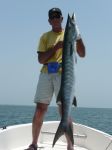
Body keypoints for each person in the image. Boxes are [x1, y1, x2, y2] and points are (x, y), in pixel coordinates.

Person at [26, 7, 85, 150]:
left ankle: (70, 146)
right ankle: (34, 144)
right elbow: (41, 59)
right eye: (52, 17)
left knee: (64, 109)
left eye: (57, 16)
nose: (55, 19)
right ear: (49, 21)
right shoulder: (44, 37)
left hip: (63, 75)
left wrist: (78, 36)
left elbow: (82, 54)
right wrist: (55, 48)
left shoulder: (69, 34)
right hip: (46, 73)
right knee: (40, 109)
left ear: (62, 19)